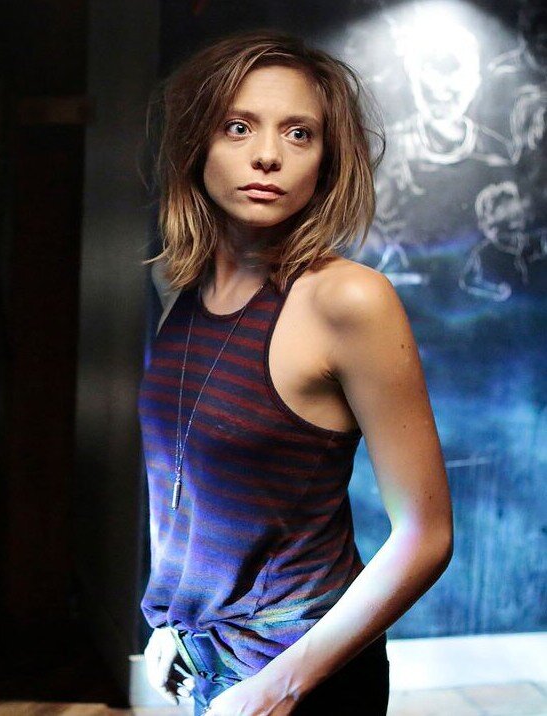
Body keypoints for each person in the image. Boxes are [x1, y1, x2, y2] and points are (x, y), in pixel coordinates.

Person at [139, 30, 453, 716]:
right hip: (206, 665)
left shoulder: (348, 300)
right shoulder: (179, 288)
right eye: (238, 127)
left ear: (326, 162)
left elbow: (426, 535)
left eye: (299, 133)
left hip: (300, 678)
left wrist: (279, 687)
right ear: (197, 145)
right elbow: (186, 483)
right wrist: (172, 619)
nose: (268, 155)